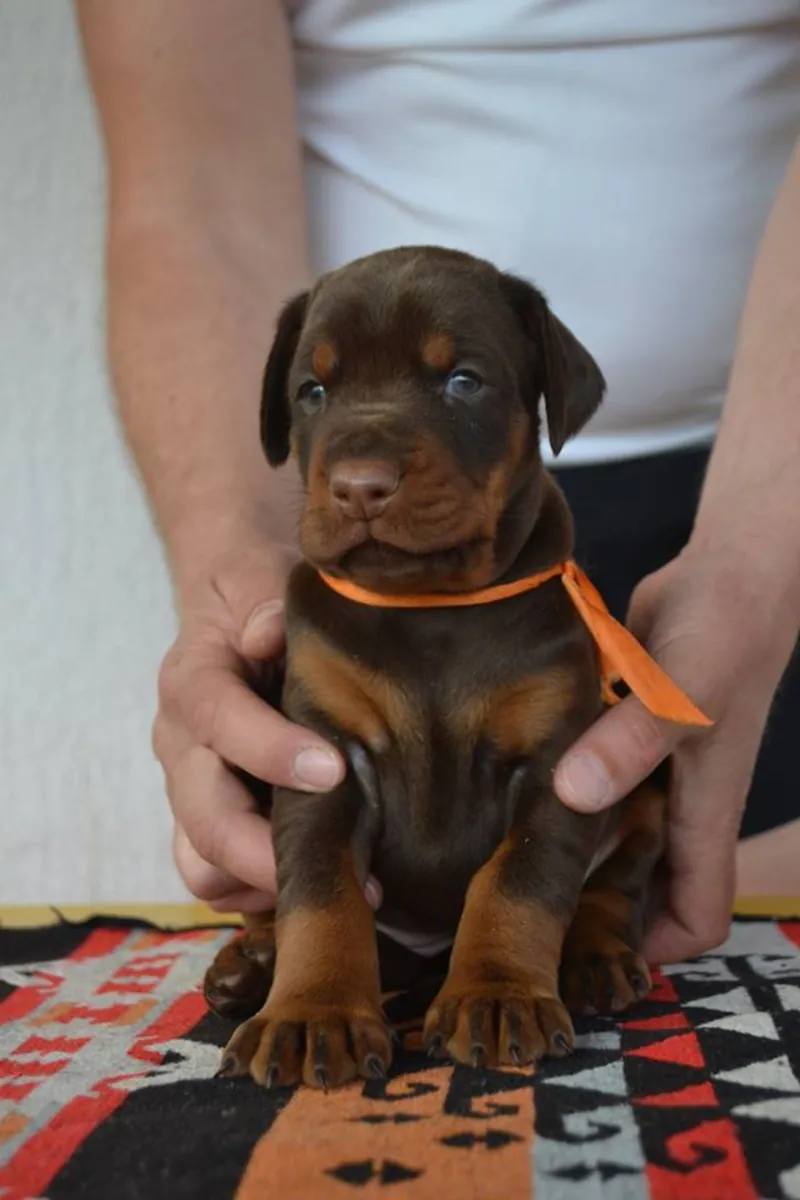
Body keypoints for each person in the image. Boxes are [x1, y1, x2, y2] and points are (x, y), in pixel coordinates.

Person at [74, 1, 800, 964]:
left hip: (746, 515)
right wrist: (231, 567)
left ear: (548, 400)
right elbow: (189, 197)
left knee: (695, 886)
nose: (365, 466)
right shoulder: (327, 538)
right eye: (317, 391)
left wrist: (761, 561)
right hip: (340, 579)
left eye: (461, 380)